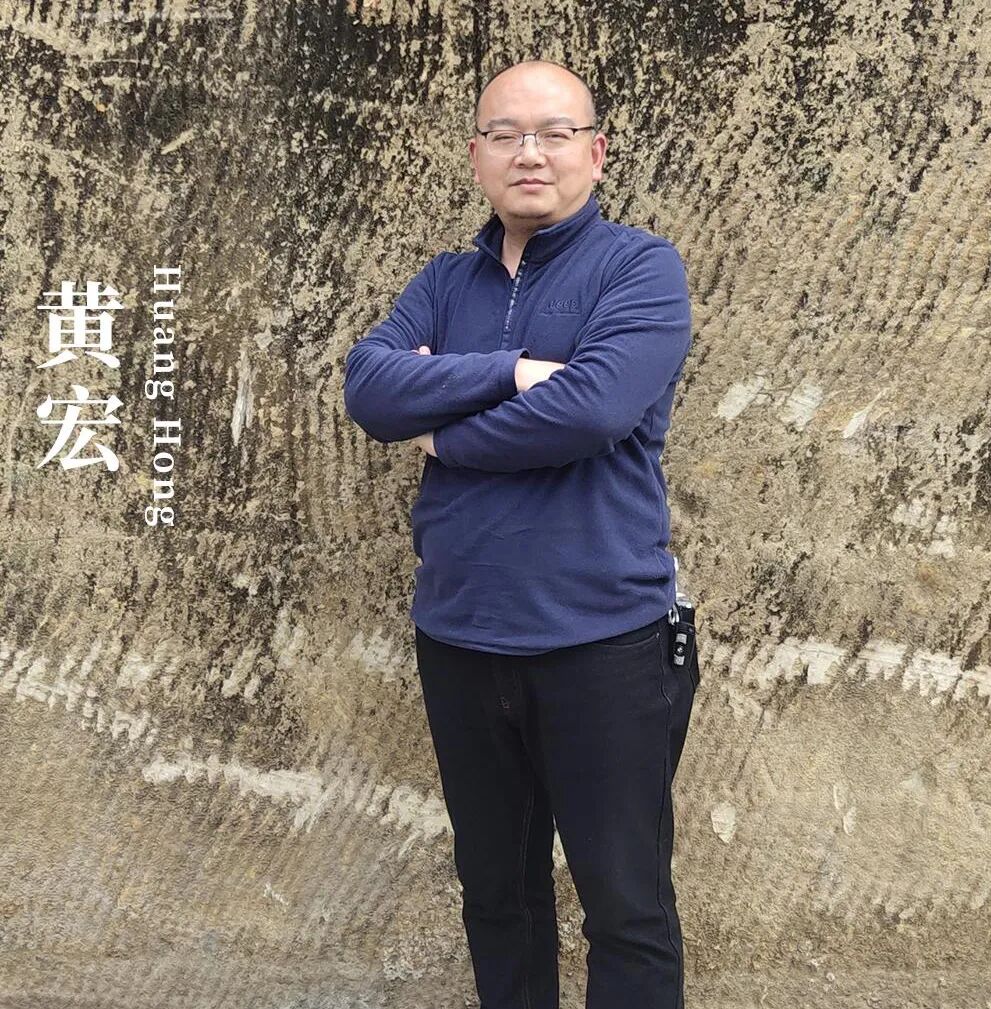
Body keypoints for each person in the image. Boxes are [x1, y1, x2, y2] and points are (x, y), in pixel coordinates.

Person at [344, 58, 699, 1009]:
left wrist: (440, 429)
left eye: (553, 133)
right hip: (460, 637)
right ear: (477, 156)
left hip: (604, 643)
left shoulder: (640, 268)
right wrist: (513, 372)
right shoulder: (442, 280)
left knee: (626, 906)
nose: (529, 153)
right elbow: (369, 387)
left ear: (597, 151)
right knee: (498, 900)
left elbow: (592, 410)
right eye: (505, 134)